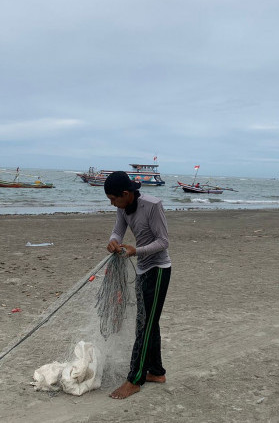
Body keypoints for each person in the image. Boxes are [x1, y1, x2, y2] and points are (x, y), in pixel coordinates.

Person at [103, 171, 171, 399]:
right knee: (149, 322)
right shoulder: (123, 208)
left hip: (158, 269)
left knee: (145, 325)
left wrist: (136, 250)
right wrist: (113, 241)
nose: (113, 204)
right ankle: (157, 372)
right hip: (142, 269)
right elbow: (118, 230)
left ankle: (135, 379)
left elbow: (163, 242)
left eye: (114, 199)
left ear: (126, 193)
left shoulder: (153, 206)